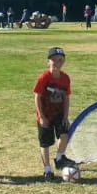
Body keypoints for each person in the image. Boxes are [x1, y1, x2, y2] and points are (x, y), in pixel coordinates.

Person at [33, 47, 74, 181]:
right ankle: (47, 170)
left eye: (61, 60)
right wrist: (41, 116)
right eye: (54, 60)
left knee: (64, 135)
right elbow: (37, 96)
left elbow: (66, 98)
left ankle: (59, 158)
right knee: (45, 143)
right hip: (45, 113)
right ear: (48, 62)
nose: (58, 62)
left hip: (58, 113)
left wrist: (66, 116)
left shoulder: (65, 78)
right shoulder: (44, 78)